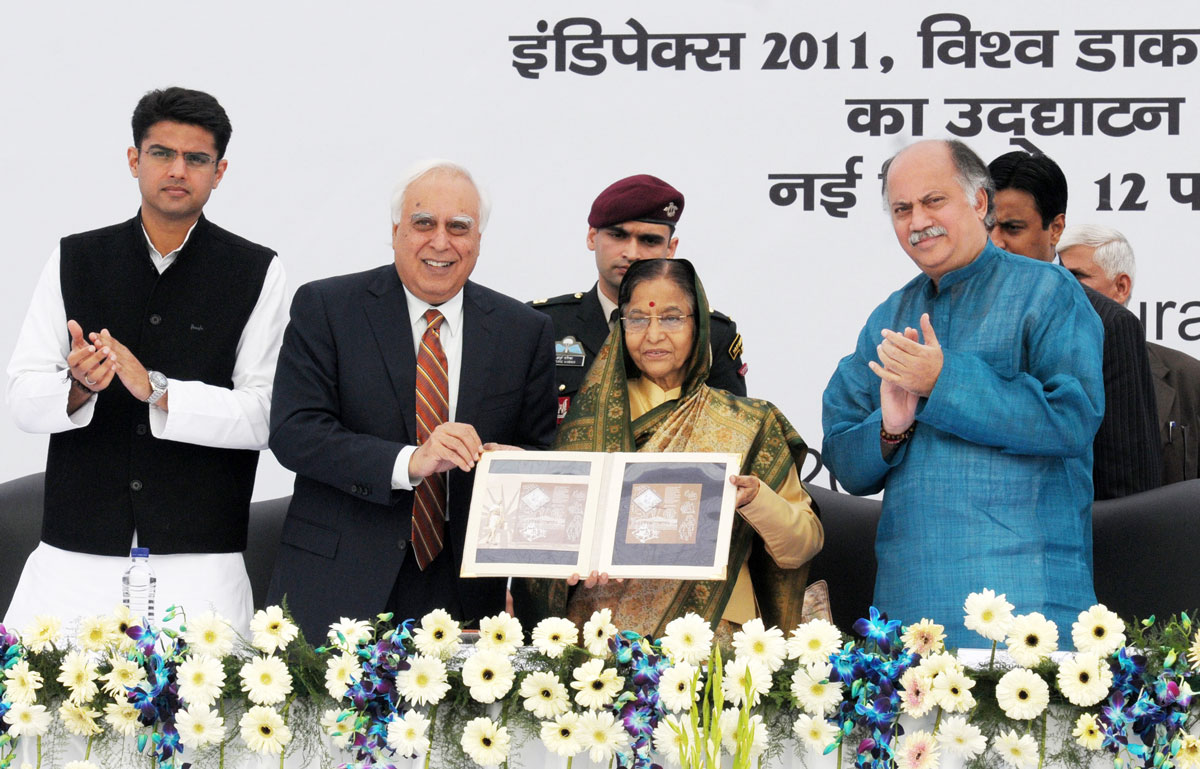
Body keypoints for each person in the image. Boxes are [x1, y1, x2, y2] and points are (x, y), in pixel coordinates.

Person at [5, 87, 285, 634]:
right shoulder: (75, 257)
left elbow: (264, 415)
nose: (177, 170)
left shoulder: (255, 270)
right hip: (76, 555)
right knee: (47, 714)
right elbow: (21, 398)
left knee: (212, 718)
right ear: (134, 160)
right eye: (161, 153)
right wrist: (78, 388)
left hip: (201, 558)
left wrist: (158, 390)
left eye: (196, 158)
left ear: (219, 171)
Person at [822, 140, 1104, 649]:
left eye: (934, 201)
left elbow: (1071, 419)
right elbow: (846, 459)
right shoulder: (890, 316)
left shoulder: (1049, 292)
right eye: (902, 209)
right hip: (910, 612)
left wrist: (944, 381)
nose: (917, 221)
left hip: (1029, 606)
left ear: (979, 203)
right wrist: (889, 428)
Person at [267, 159, 557, 640]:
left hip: (465, 591)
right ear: (397, 230)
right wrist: (410, 461)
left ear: (478, 239)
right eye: (424, 223)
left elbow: (541, 454)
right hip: (337, 582)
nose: (441, 242)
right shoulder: (328, 307)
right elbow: (295, 432)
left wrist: (517, 466)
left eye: (458, 227)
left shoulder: (523, 330)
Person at [518, 258, 821, 638]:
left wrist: (755, 499)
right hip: (602, 638)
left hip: (716, 633)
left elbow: (803, 544)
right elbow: (549, 548)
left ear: (700, 326)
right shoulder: (589, 422)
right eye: (638, 319)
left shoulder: (749, 422)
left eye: (672, 318)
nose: (653, 335)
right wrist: (570, 567)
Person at [988, 150, 1160, 500]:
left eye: (1012, 228)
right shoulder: (947, 311)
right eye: (986, 226)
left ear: (1056, 228)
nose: (996, 242)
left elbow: (1128, 486)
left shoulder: (1108, 323)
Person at [530, 174, 746, 424]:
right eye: (618, 235)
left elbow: (732, 439)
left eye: (649, 240)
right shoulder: (542, 326)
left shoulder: (710, 333)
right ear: (592, 237)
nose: (632, 253)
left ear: (670, 249)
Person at [1059, 224, 1200, 484]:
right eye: (1055, 277)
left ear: (1121, 287)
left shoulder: (1188, 378)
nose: (1059, 288)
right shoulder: (1025, 370)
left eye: (1074, 277)